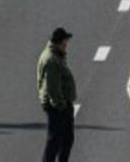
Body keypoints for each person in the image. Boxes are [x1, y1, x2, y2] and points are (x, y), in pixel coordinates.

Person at [38, 28, 78, 161]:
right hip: (57, 106)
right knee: (55, 142)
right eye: (66, 40)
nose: (67, 43)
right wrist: (61, 106)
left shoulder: (56, 55)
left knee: (65, 140)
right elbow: (52, 87)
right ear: (60, 41)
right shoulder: (51, 59)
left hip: (59, 104)